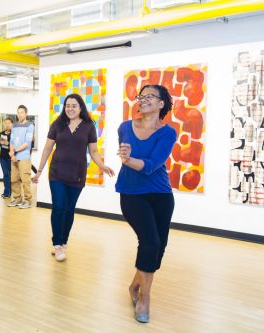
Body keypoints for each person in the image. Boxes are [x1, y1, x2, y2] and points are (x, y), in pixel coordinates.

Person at [116, 85, 177, 324]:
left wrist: (129, 159)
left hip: (161, 195)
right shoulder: (124, 127)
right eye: (141, 96)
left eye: (150, 96)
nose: (143, 99)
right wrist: (127, 158)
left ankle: (133, 286)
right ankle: (144, 298)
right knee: (150, 242)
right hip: (131, 193)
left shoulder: (168, 133)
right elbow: (127, 160)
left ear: (162, 104)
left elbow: (151, 165)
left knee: (157, 248)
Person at [32, 94, 114, 262]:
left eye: (74, 105)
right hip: (57, 173)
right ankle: (57, 244)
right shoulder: (57, 124)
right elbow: (47, 148)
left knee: (69, 210)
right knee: (59, 207)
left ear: (81, 107)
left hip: (77, 175)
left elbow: (94, 151)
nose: (70, 108)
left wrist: (102, 165)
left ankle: (63, 242)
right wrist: (39, 171)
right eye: (67, 105)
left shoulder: (89, 126)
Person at [7, 105, 35, 208]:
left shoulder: (30, 125)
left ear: (26, 114)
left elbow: (27, 143)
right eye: (18, 113)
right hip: (14, 157)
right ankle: (17, 199)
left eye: (22, 112)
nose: (20, 115)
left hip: (24, 157)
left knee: (25, 180)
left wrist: (14, 151)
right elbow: (12, 141)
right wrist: (12, 152)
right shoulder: (14, 125)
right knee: (14, 179)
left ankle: (27, 201)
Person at [0, 118, 13, 199]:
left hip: (11, 157)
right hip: (2, 157)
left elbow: (16, 145)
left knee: (11, 175)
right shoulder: (1, 133)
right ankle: (7, 193)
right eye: (5, 123)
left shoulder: (14, 134)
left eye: (8, 123)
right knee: (6, 174)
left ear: (12, 124)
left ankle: (9, 192)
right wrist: (0, 142)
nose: (7, 125)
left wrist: (8, 143)